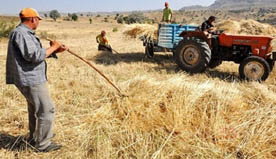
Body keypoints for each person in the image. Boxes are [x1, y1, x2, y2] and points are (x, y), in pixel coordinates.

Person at [6, 8, 67, 152]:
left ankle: (36, 137)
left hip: (30, 77)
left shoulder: (23, 33)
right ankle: (43, 144)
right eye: (38, 19)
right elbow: (34, 56)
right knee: (46, 110)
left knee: (35, 109)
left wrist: (55, 50)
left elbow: (34, 55)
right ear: (33, 19)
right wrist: (54, 47)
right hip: (30, 79)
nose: (38, 22)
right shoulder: (22, 34)